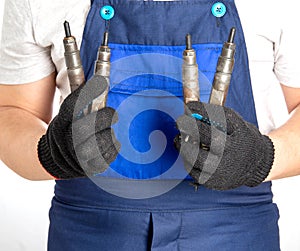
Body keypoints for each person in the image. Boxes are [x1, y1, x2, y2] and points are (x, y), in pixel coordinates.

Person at [0, 0, 300, 250]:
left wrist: (261, 158)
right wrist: (49, 154)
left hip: (238, 233)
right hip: (88, 232)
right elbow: (13, 110)